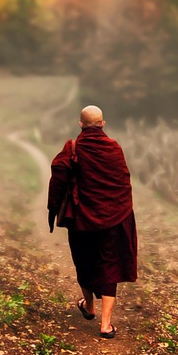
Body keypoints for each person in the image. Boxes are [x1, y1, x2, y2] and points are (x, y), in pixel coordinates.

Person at [48, 104, 138, 339]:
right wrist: (122, 211)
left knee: (84, 261)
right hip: (112, 219)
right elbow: (122, 183)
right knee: (109, 265)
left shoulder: (73, 147)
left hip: (81, 218)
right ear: (102, 124)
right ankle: (106, 325)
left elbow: (58, 174)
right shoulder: (114, 148)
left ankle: (89, 306)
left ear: (81, 124)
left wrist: (53, 207)